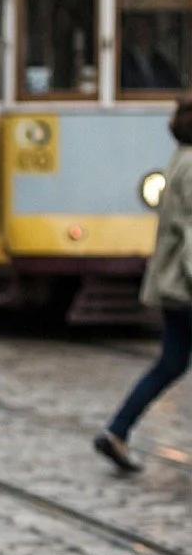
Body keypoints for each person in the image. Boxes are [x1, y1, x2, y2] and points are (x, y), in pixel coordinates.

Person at [96, 97, 192, 471]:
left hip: (172, 288)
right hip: (187, 288)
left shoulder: (179, 161)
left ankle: (117, 430)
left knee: (169, 364)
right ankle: (117, 431)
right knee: (168, 364)